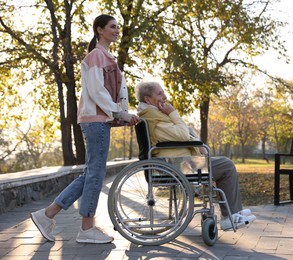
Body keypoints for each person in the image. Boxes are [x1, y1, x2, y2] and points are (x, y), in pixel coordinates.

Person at [30, 14, 140, 244]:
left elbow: (117, 92)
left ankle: (47, 214)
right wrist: (120, 113)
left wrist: (124, 113)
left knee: (91, 172)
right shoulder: (95, 57)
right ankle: (86, 228)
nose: (117, 30)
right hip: (95, 120)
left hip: (101, 120)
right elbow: (97, 92)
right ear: (99, 30)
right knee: (95, 174)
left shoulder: (107, 57)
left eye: (117, 27)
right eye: (112, 26)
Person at [135, 80, 256, 230]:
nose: (165, 96)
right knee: (226, 165)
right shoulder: (154, 119)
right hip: (177, 165)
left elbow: (182, 134)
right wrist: (173, 112)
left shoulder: (153, 116)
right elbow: (182, 134)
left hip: (176, 162)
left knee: (222, 163)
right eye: (160, 93)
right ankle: (229, 216)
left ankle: (233, 211)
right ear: (148, 99)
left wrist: (197, 144)